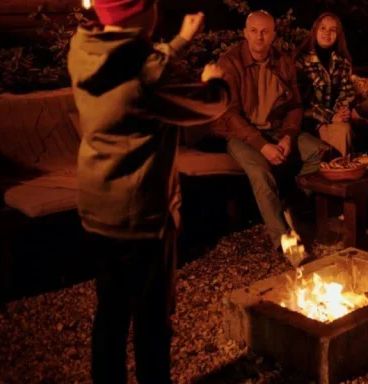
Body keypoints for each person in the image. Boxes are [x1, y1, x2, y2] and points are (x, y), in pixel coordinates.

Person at [67, 1, 230, 382]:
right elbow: (209, 105)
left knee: (110, 314)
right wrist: (215, 80)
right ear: (142, 13)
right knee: (152, 323)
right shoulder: (149, 72)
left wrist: (180, 41)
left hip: (97, 205)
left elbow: (130, 60)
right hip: (141, 213)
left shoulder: (83, 47)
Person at [212, 11, 330, 251]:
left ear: (274, 34)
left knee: (321, 152)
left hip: (277, 129)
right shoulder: (230, 62)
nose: (259, 37)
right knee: (260, 172)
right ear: (245, 33)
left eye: (265, 31)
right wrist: (262, 146)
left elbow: (295, 106)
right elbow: (229, 114)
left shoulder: (283, 61)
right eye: (253, 31)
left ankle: (293, 207)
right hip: (241, 134)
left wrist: (288, 135)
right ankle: (284, 242)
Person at [295, 12, 355, 157]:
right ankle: (338, 172)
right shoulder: (300, 61)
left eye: (332, 29)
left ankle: (343, 171)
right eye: (323, 28)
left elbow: (346, 94)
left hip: (334, 118)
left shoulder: (343, 62)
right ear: (315, 30)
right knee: (341, 130)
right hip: (310, 120)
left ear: (338, 34)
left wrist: (342, 111)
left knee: (343, 128)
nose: (327, 33)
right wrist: (330, 117)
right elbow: (302, 101)